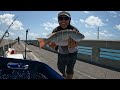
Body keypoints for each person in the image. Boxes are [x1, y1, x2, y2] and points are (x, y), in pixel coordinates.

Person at [48, 11, 81, 79]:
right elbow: (52, 43)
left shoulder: (74, 30)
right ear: (58, 20)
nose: (63, 20)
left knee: (70, 70)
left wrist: (74, 45)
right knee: (60, 67)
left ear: (69, 20)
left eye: (66, 18)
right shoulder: (55, 30)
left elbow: (78, 40)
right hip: (61, 52)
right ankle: (64, 74)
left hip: (72, 52)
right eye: (61, 18)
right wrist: (53, 46)